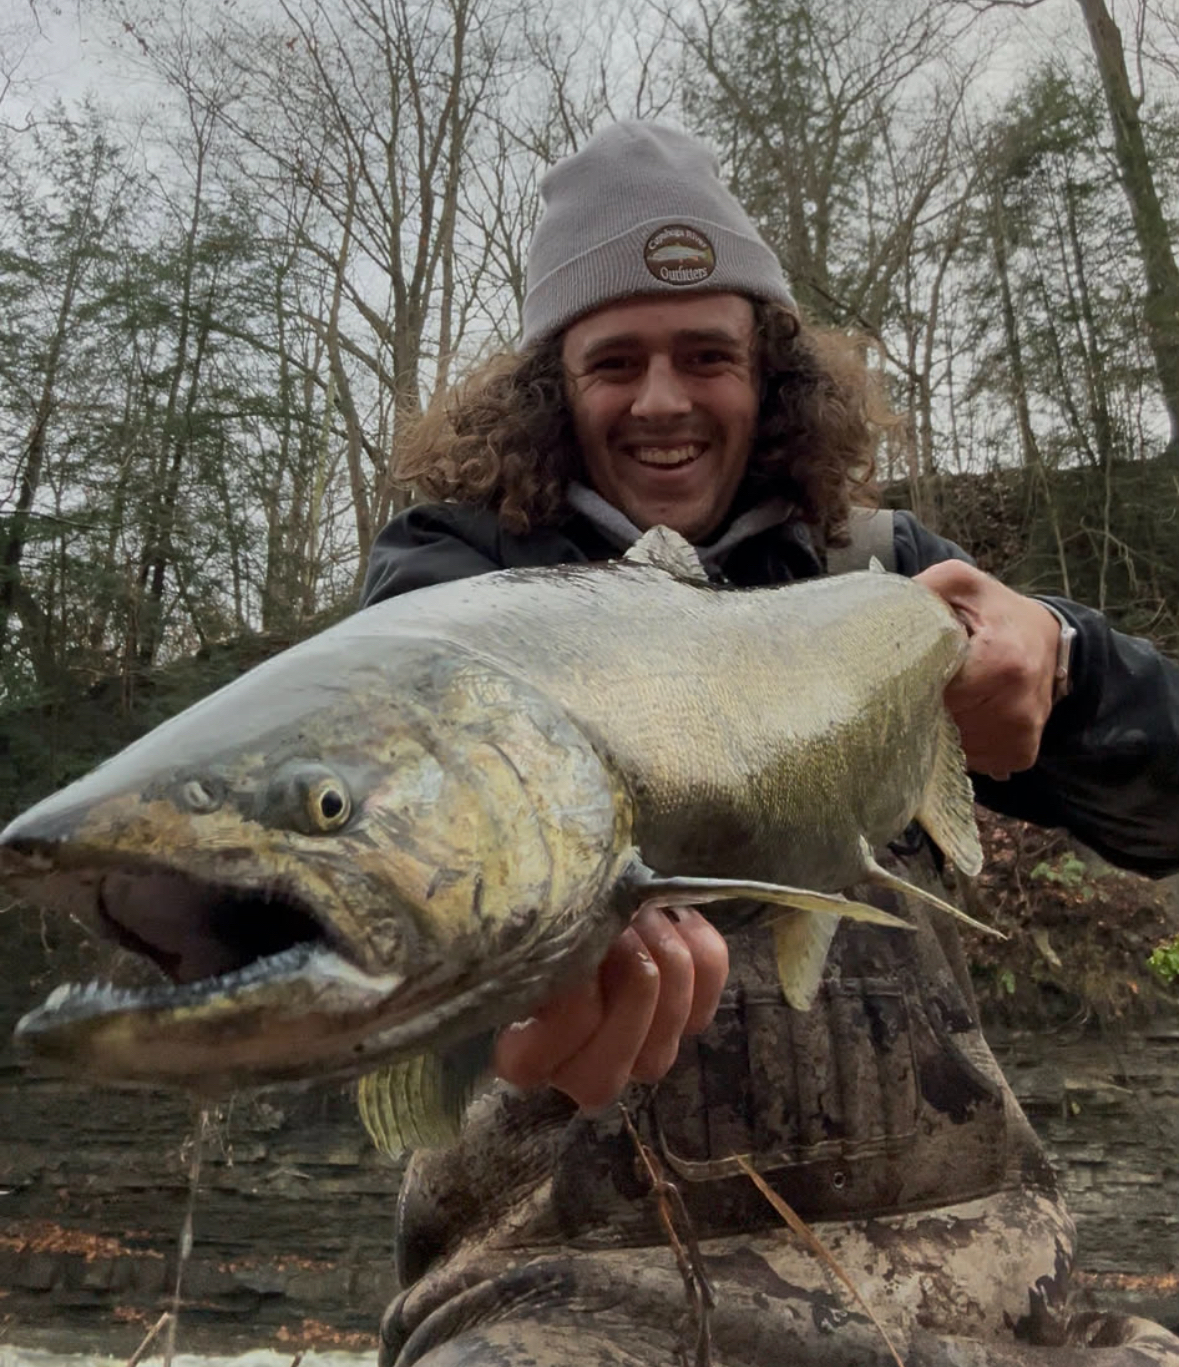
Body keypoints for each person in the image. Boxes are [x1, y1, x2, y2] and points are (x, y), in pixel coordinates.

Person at [359, 122, 1179, 1366]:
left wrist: (1066, 661)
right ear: (550, 389)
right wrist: (483, 1000)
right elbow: (378, 874)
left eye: (708, 355)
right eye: (613, 360)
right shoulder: (449, 588)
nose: (665, 400)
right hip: (566, 1297)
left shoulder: (883, 572)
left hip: (985, 1286)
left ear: (771, 374)